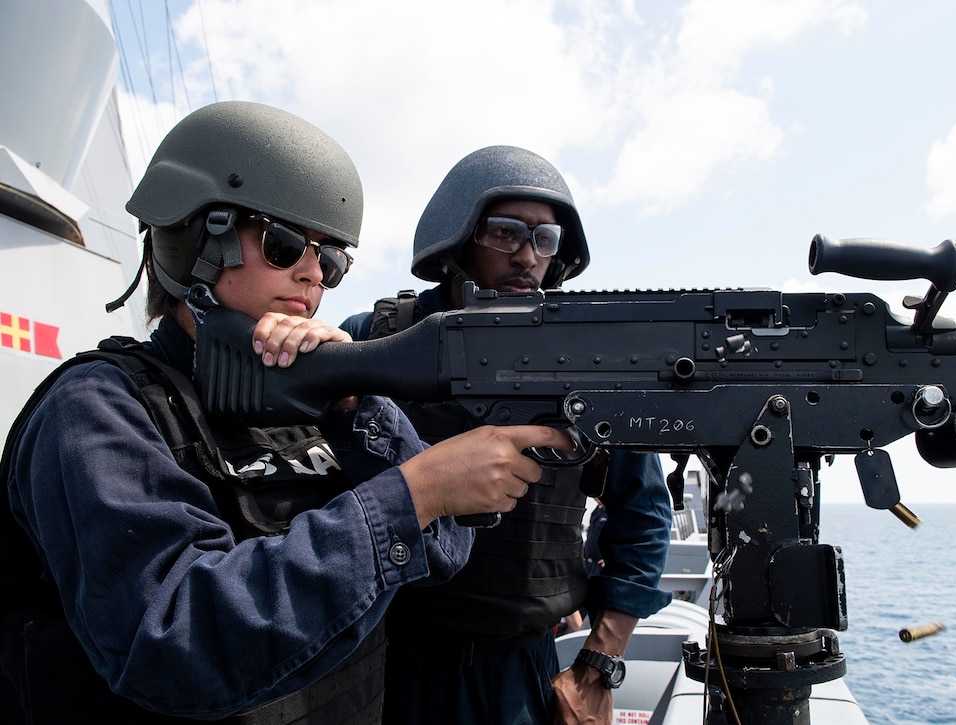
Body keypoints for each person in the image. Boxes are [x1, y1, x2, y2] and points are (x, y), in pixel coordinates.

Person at [0, 104, 571, 723]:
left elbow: (445, 554)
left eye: (330, 260)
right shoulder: (98, 409)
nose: (311, 274)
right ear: (196, 238)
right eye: (283, 243)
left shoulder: (316, 402)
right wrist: (416, 492)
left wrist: (356, 407)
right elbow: (173, 640)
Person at [341, 145, 673, 724]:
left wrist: (600, 662)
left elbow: (642, 510)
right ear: (459, 238)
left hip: (520, 674)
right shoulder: (378, 340)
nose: (527, 256)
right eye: (506, 233)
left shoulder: (588, 362)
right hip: (386, 660)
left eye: (544, 240)